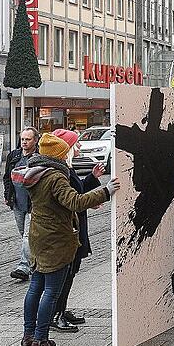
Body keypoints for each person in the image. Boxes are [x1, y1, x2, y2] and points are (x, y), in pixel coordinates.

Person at [17, 134, 119, 346]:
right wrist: (106, 191)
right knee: (51, 292)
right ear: (59, 155)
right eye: (67, 151)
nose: (71, 153)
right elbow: (75, 201)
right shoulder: (55, 177)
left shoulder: (34, 172)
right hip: (56, 239)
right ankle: (41, 342)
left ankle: (28, 337)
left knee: (35, 287)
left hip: (39, 235)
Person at [49, 129, 106, 333]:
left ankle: (61, 310)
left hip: (75, 226)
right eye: (76, 144)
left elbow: (78, 190)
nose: (80, 146)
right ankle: (56, 314)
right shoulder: (61, 171)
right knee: (67, 273)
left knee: (71, 273)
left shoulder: (68, 169)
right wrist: (100, 195)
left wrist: (92, 178)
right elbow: (74, 199)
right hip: (70, 229)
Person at [3, 127, 40, 281]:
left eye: (28, 139)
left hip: (34, 203)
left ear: (35, 140)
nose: (24, 142)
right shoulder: (14, 155)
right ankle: (37, 262)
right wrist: (7, 195)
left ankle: (24, 267)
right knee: (25, 235)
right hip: (17, 202)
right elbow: (6, 177)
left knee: (27, 236)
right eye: (23, 139)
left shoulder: (39, 156)